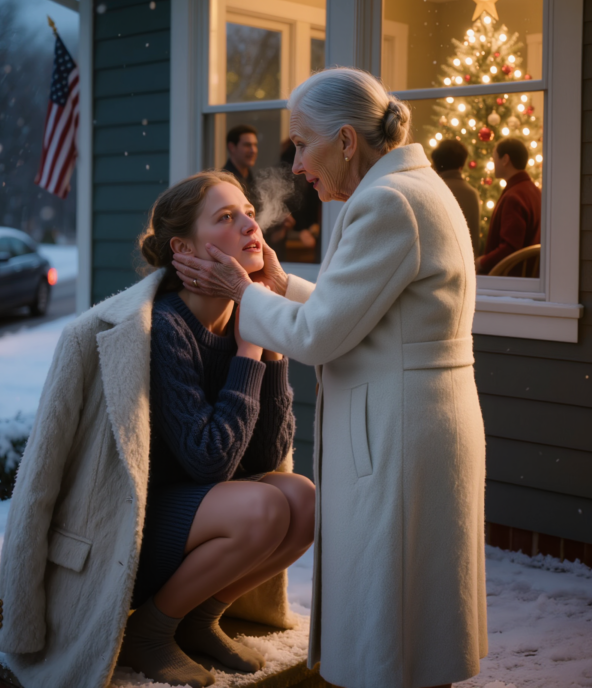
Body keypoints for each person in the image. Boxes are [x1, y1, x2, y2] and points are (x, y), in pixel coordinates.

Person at [173, 67, 488, 688]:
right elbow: (366, 311)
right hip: (418, 417)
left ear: (346, 140)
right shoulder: (410, 188)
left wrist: (242, 290)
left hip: (399, 428)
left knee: (394, 623)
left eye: (301, 144)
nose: (295, 166)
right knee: (415, 618)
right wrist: (278, 283)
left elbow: (320, 335)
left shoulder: (388, 202)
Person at [0, 171, 314, 688]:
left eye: (250, 213)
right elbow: (210, 460)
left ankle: (198, 619)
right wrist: (250, 348)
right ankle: (151, 631)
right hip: (132, 536)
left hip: (199, 523)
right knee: (266, 507)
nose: (250, 226)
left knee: (303, 500)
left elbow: (263, 458)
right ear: (183, 248)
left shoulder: (239, 319)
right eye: (226, 217)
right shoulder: (164, 328)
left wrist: (268, 343)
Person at [476, 137, 541, 275]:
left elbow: (510, 248)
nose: (493, 163)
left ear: (505, 159)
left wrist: (482, 263)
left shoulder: (514, 196)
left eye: (495, 158)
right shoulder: (535, 191)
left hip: (512, 279)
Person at [430, 139, 480, 257]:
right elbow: (474, 242)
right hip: (464, 262)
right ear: (462, 164)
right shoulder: (472, 194)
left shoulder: (431, 189)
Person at [223, 124, 261, 208]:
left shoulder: (251, 179)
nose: (253, 150)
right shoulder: (224, 181)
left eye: (255, 145)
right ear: (232, 147)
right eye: (247, 145)